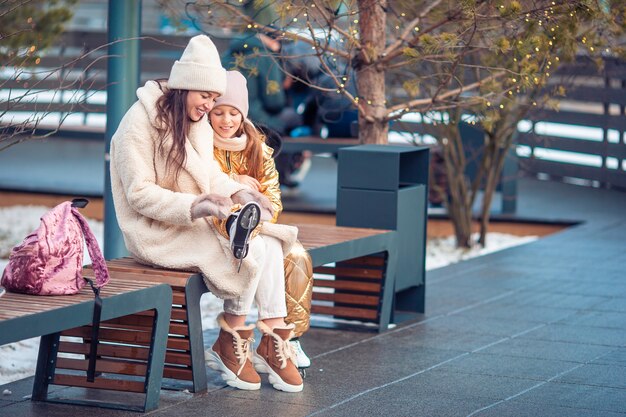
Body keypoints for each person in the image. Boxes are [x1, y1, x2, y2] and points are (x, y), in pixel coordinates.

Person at [109, 35, 303, 393]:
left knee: (271, 244)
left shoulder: (192, 120)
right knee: (253, 250)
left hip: (191, 220)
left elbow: (208, 173)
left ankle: (270, 339)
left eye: (216, 99)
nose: (210, 106)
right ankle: (231, 339)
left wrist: (238, 191)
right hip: (156, 230)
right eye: (207, 97)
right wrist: (195, 206)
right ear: (187, 87)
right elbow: (139, 195)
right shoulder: (137, 123)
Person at [209, 70, 314, 369]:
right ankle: (237, 338)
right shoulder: (201, 145)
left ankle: (285, 338)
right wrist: (236, 183)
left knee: (295, 254)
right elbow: (202, 186)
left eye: (233, 113)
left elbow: (274, 198)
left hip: (256, 226)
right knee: (258, 249)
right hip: (216, 228)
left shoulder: (257, 146)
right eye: (219, 113)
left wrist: (259, 212)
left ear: (243, 116)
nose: (226, 120)